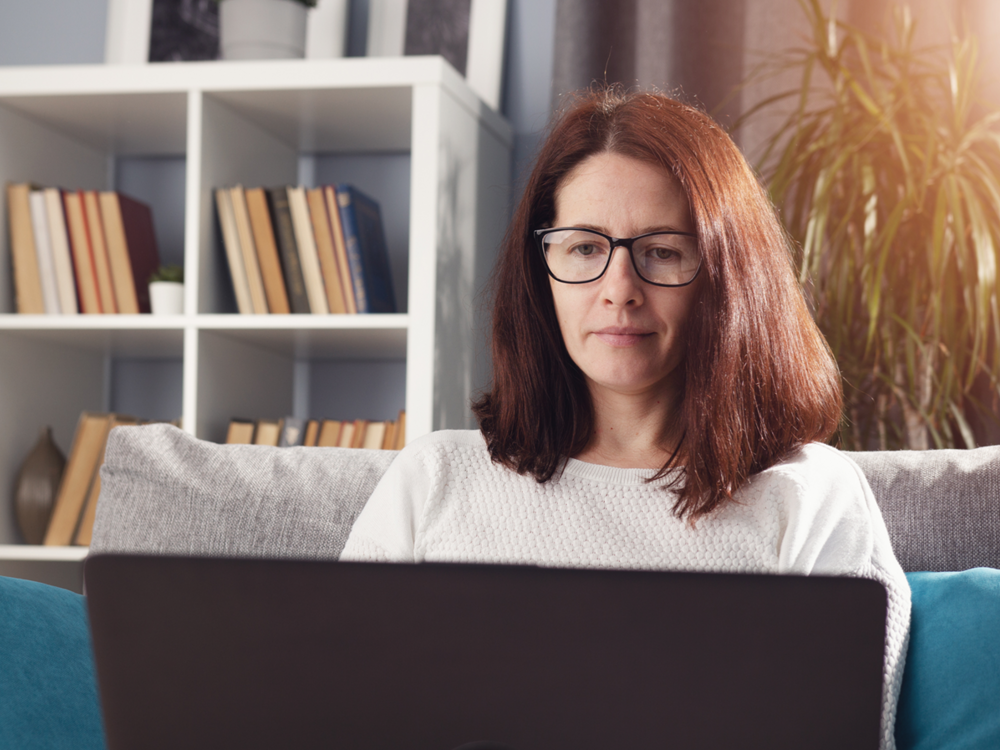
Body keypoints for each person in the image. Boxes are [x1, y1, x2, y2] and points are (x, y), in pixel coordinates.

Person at [340, 87, 910, 750]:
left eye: (662, 251)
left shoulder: (813, 497)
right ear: (541, 269)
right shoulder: (434, 477)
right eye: (584, 248)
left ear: (726, 275)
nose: (618, 289)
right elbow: (337, 714)